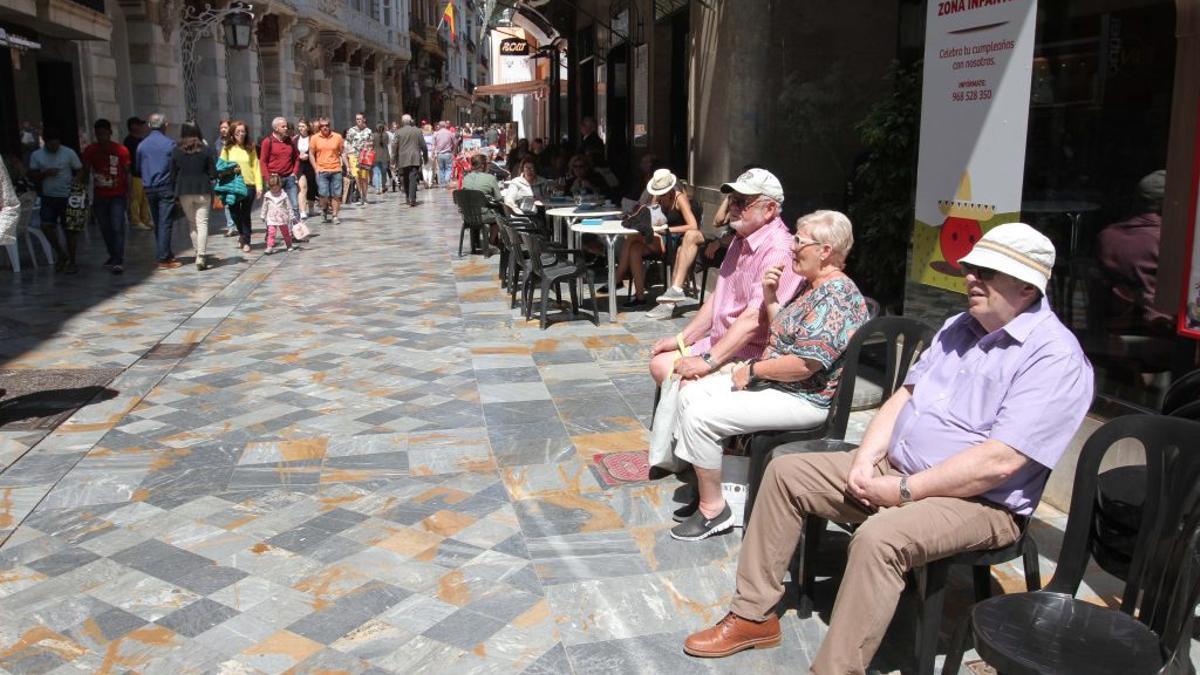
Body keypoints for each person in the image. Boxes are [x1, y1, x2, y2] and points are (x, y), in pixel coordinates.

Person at [682, 222, 1094, 674]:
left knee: (879, 538)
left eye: (987, 272)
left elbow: (1000, 463)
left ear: (1027, 287)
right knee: (787, 473)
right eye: (971, 268)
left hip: (979, 502)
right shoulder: (960, 326)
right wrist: (865, 460)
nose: (971, 278)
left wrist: (903, 491)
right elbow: (904, 397)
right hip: (898, 470)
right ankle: (753, 615)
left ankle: (836, 669)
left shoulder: (1054, 358)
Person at [670, 210, 868, 540]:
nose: (791, 247)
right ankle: (707, 485)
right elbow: (783, 332)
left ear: (825, 250)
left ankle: (713, 510)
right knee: (690, 392)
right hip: (780, 386)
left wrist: (752, 370)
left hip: (803, 397)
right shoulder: (812, 286)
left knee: (702, 417)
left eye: (799, 241)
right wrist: (772, 297)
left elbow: (805, 365)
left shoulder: (837, 297)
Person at [648, 168, 803, 389]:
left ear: (769, 209)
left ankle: (684, 421)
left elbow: (754, 320)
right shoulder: (740, 239)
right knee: (659, 365)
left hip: (752, 354)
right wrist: (683, 338)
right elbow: (719, 296)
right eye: (732, 200)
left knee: (687, 383)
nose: (733, 208)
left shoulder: (779, 250)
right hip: (722, 343)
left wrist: (708, 360)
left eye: (742, 202)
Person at [1096, 169, 1170, 333]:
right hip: (1160, 328)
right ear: (1167, 204)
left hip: (1115, 324)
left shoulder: (1106, 236)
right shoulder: (1169, 241)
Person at [613, 168, 699, 307]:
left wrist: (667, 230)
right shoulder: (656, 197)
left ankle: (617, 277)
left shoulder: (679, 198)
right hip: (657, 238)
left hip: (672, 240)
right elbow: (653, 217)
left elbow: (693, 226)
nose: (660, 195)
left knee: (631, 238)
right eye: (658, 191)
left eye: (663, 192)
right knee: (634, 249)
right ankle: (640, 296)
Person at [81, 118, 132, 274]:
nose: (101, 137)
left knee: (117, 226)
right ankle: (113, 254)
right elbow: (86, 171)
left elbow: (128, 172)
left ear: (110, 133)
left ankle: (118, 259)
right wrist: (83, 190)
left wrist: (130, 194)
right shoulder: (90, 150)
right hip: (100, 195)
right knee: (105, 228)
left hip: (117, 194)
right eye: (98, 134)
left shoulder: (121, 150)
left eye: (103, 134)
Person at [136, 113, 179, 268]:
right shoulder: (170, 144)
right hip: (165, 186)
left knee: (157, 221)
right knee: (165, 222)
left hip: (149, 187)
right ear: (165, 125)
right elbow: (175, 167)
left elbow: (137, 168)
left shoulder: (142, 145)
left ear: (148, 126)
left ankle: (165, 252)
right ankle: (163, 257)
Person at [171, 122, 216, 271]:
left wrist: (174, 193)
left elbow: (172, 174)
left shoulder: (176, 151)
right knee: (202, 223)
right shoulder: (205, 150)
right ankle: (201, 255)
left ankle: (198, 251)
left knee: (192, 224)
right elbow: (213, 173)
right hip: (202, 189)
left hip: (184, 191)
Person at [220, 120, 260, 253]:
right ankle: (242, 234)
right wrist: (231, 169)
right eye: (238, 132)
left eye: (243, 131)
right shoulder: (227, 148)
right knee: (234, 212)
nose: (241, 134)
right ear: (232, 134)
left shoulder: (251, 147)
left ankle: (247, 240)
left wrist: (259, 185)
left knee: (246, 213)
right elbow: (221, 166)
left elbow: (255, 167)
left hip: (249, 185)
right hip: (232, 186)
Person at [258, 116, 301, 223]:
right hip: (275, 179)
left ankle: (296, 232)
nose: (286, 128)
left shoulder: (289, 142)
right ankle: (270, 233)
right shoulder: (268, 142)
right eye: (283, 126)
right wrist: (268, 179)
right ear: (276, 128)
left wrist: (294, 173)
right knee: (273, 208)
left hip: (289, 178)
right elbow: (263, 161)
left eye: (286, 126)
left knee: (294, 205)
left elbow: (297, 158)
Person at [308, 118, 345, 225]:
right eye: (322, 126)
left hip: (336, 169)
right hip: (322, 170)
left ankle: (335, 215)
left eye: (327, 125)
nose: (325, 127)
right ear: (319, 127)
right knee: (323, 194)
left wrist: (347, 166)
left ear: (330, 125)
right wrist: (315, 168)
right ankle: (324, 210)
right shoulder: (315, 138)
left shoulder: (337, 137)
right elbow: (311, 153)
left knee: (336, 195)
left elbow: (342, 152)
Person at [390, 114, 427, 207]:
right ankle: (413, 199)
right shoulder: (417, 131)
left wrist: (392, 161)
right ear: (410, 121)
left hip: (402, 159)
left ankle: (407, 196)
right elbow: (423, 146)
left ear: (402, 122)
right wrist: (425, 158)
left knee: (405, 178)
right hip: (415, 158)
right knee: (413, 178)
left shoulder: (398, 132)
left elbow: (394, 147)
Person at [123, 116, 152, 231]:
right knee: (135, 199)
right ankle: (136, 220)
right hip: (135, 175)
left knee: (145, 199)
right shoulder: (129, 141)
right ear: (132, 126)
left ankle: (145, 219)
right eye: (138, 124)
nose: (141, 127)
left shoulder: (141, 140)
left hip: (144, 174)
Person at [214, 120, 238, 237]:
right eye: (221, 127)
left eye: (225, 127)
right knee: (227, 202)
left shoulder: (235, 142)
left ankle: (239, 224)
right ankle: (231, 227)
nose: (223, 129)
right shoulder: (217, 143)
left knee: (237, 200)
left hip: (235, 174)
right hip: (223, 175)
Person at [260, 174, 295, 254]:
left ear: (279, 185)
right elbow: (264, 206)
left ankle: (289, 245)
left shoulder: (284, 195)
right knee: (271, 232)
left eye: (276, 187)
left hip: (282, 217)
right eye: (272, 188)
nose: (274, 189)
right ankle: (269, 246)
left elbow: (289, 206)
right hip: (271, 218)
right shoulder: (268, 195)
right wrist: (263, 215)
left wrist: (292, 215)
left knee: (285, 232)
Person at [344, 112, 372, 206]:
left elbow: (371, 143)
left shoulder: (368, 131)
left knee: (364, 177)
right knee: (357, 176)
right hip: (354, 156)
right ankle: (361, 196)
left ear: (364, 119)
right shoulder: (351, 130)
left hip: (365, 157)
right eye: (357, 119)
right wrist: (349, 153)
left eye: (360, 119)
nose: (358, 121)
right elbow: (347, 142)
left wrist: (368, 148)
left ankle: (364, 195)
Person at [295, 118, 317, 221]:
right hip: (300, 165)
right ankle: (302, 211)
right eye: (299, 126)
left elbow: (316, 151)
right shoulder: (295, 139)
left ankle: (311, 207)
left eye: (303, 126)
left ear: (307, 127)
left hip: (310, 164)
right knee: (302, 187)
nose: (301, 128)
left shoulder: (313, 138)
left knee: (312, 186)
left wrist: (308, 156)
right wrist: (298, 156)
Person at [432, 121, 456, 187]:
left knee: (441, 169)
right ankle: (446, 180)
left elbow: (433, 145)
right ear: (445, 125)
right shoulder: (450, 133)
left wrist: (433, 153)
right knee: (448, 168)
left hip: (439, 154)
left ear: (439, 126)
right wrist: (453, 151)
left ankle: (442, 183)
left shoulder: (436, 134)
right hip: (448, 153)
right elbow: (455, 143)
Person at [371, 123, 390, 195]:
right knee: (384, 172)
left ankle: (377, 189)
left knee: (376, 172)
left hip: (375, 156)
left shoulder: (373, 135)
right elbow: (387, 143)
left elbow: (372, 145)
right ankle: (383, 187)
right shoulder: (386, 135)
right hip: (385, 155)